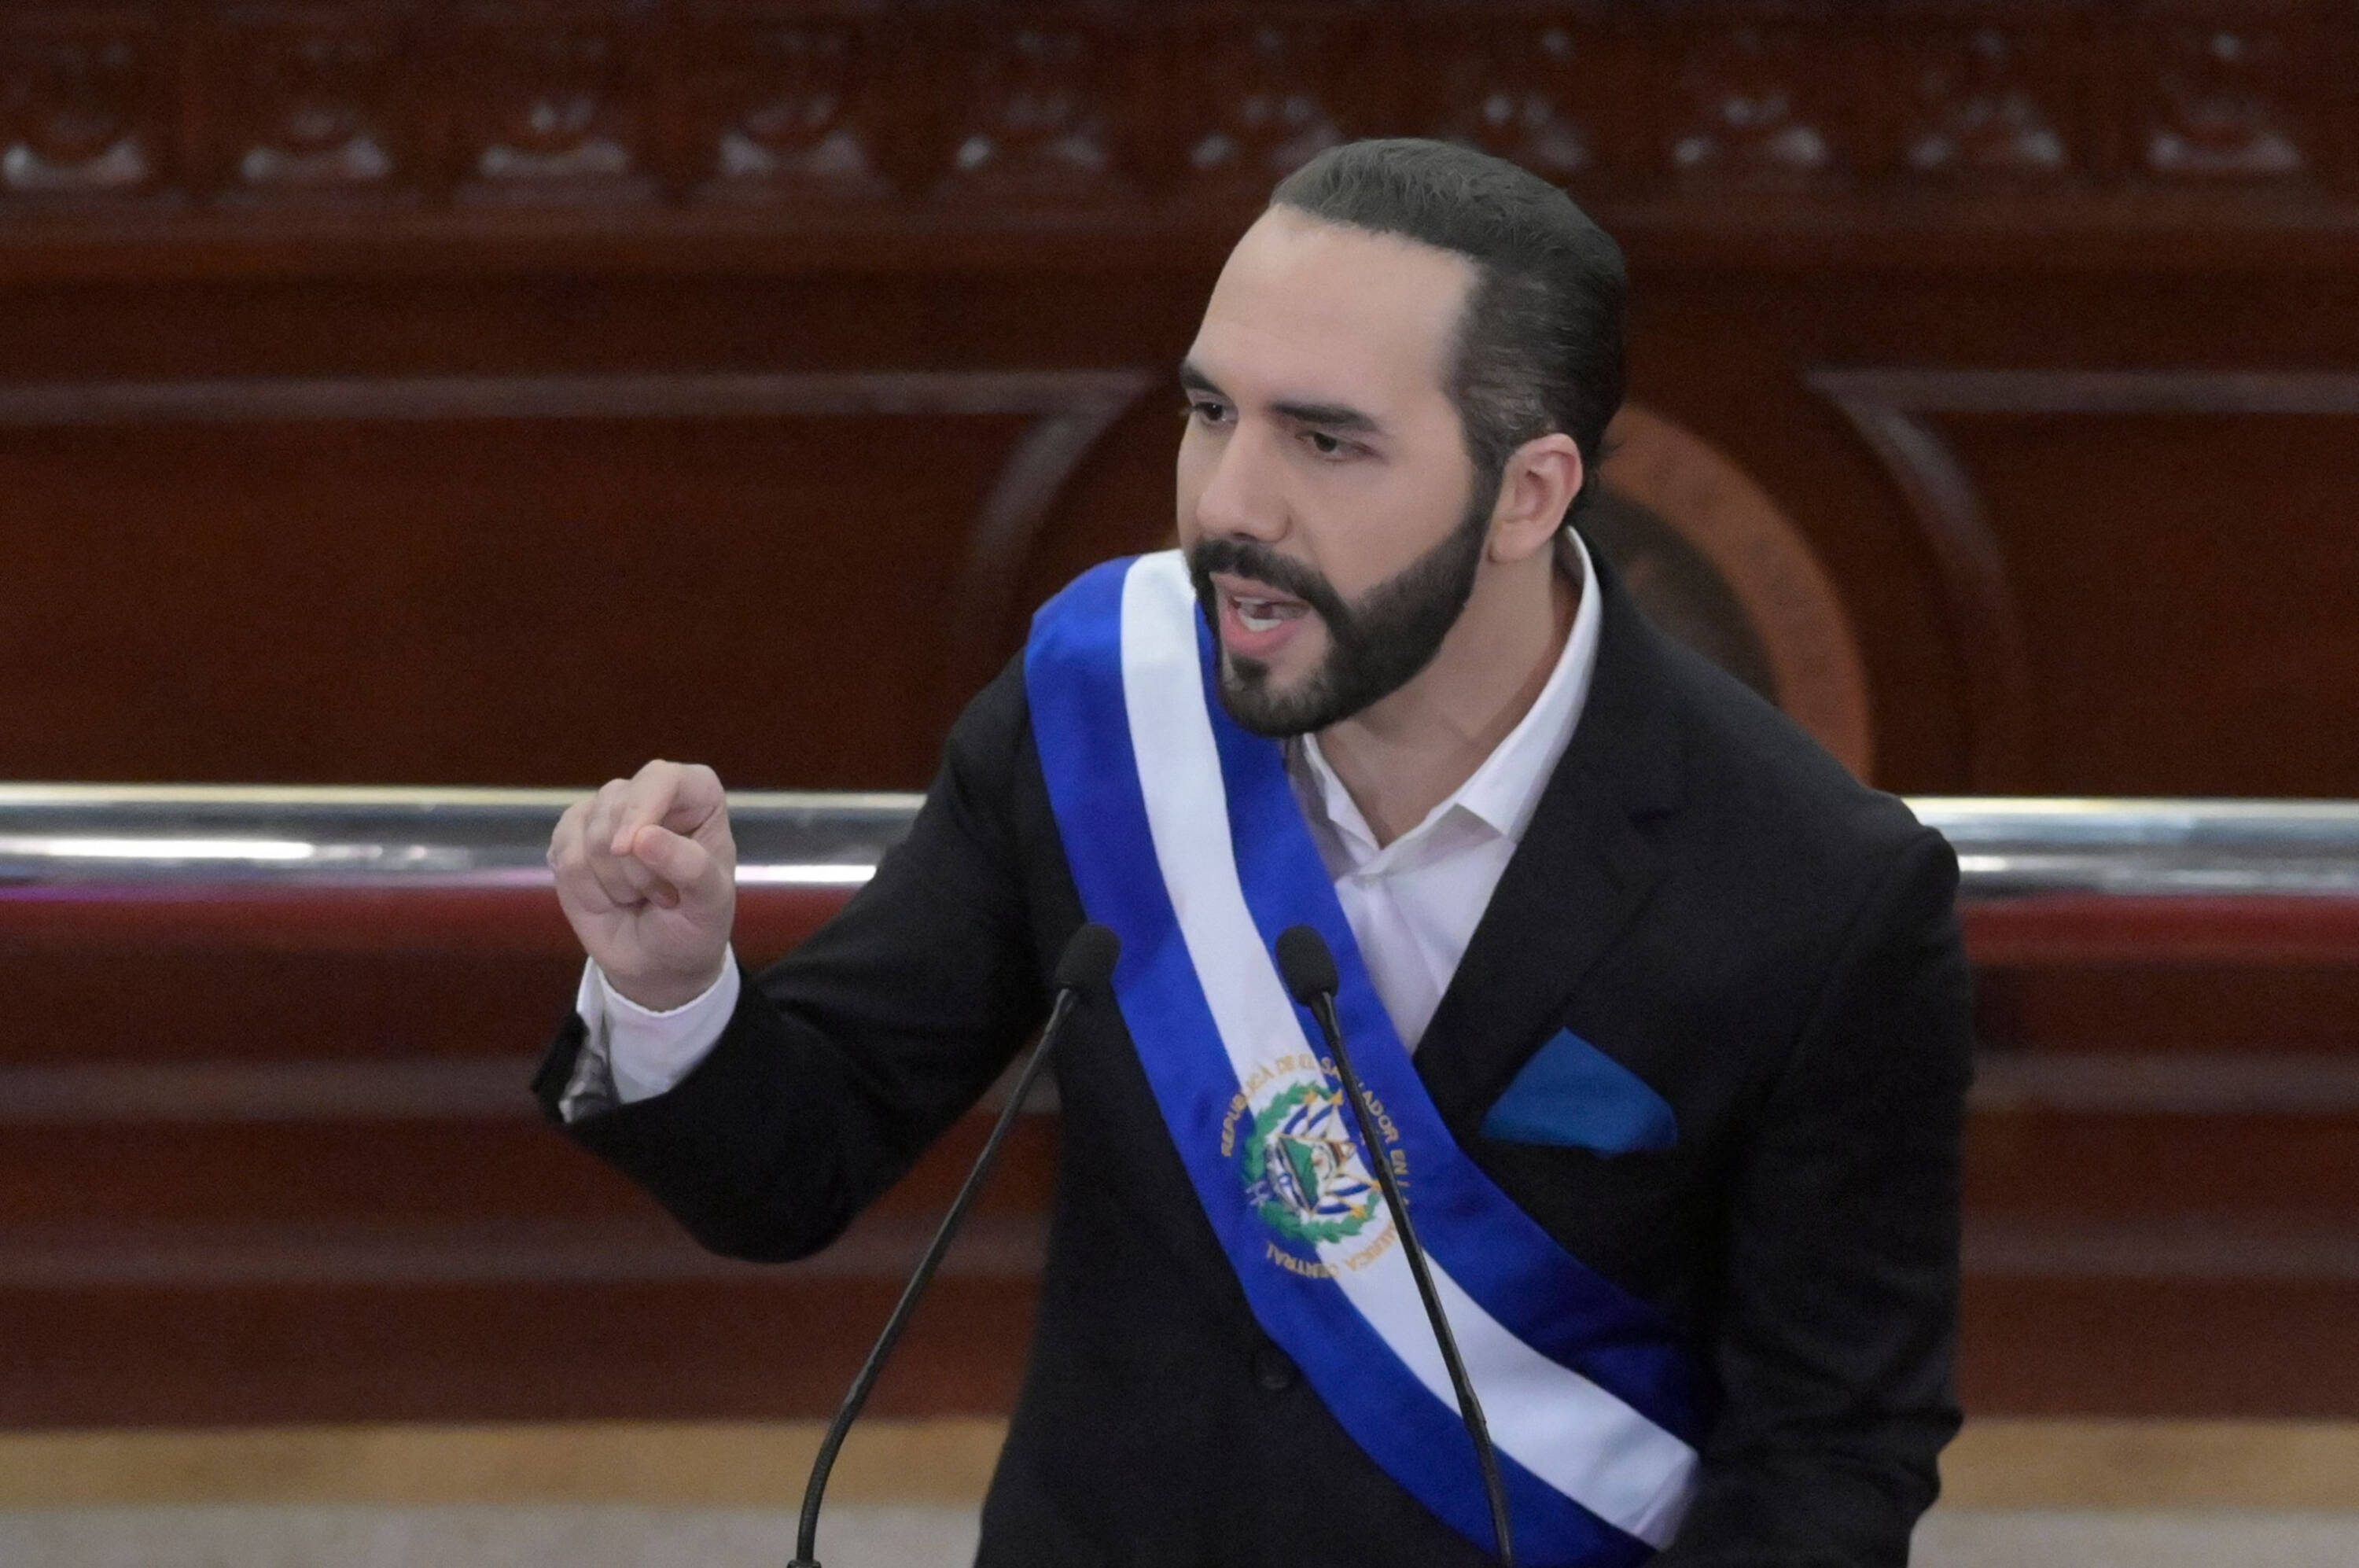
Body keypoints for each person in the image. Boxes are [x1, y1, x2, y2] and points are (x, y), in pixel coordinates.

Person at [536, 138, 1972, 1567]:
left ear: (1528, 494)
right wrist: (671, 990)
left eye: (1326, 439)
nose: (1230, 503)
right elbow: (792, 1168)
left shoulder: (1820, 891)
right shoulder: (1103, 708)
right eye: (1212, 410)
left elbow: (1830, 1452)